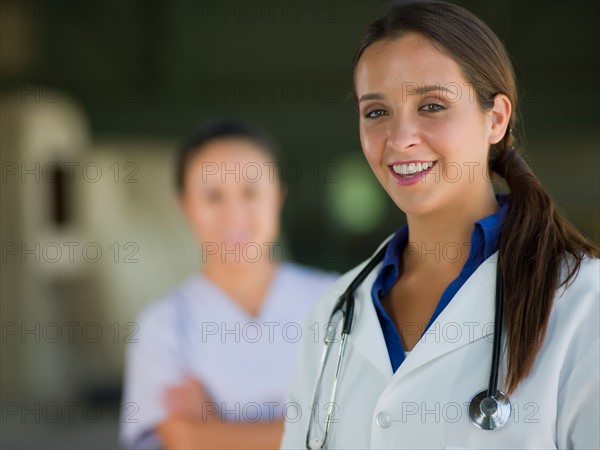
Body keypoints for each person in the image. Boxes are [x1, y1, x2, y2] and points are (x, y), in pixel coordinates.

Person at [280, 1, 600, 449]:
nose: (400, 137)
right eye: (376, 112)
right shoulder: (335, 312)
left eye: (431, 105)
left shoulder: (582, 301)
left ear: (496, 118)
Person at [120, 119, 338, 449]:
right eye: (212, 196)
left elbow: (358, 424)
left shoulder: (337, 299)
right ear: (185, 206)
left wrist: (214, 428)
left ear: (277, 197)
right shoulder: (163, 325)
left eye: (250, 192)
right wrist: (309, 426)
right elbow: (183, 440)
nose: (234, 214)